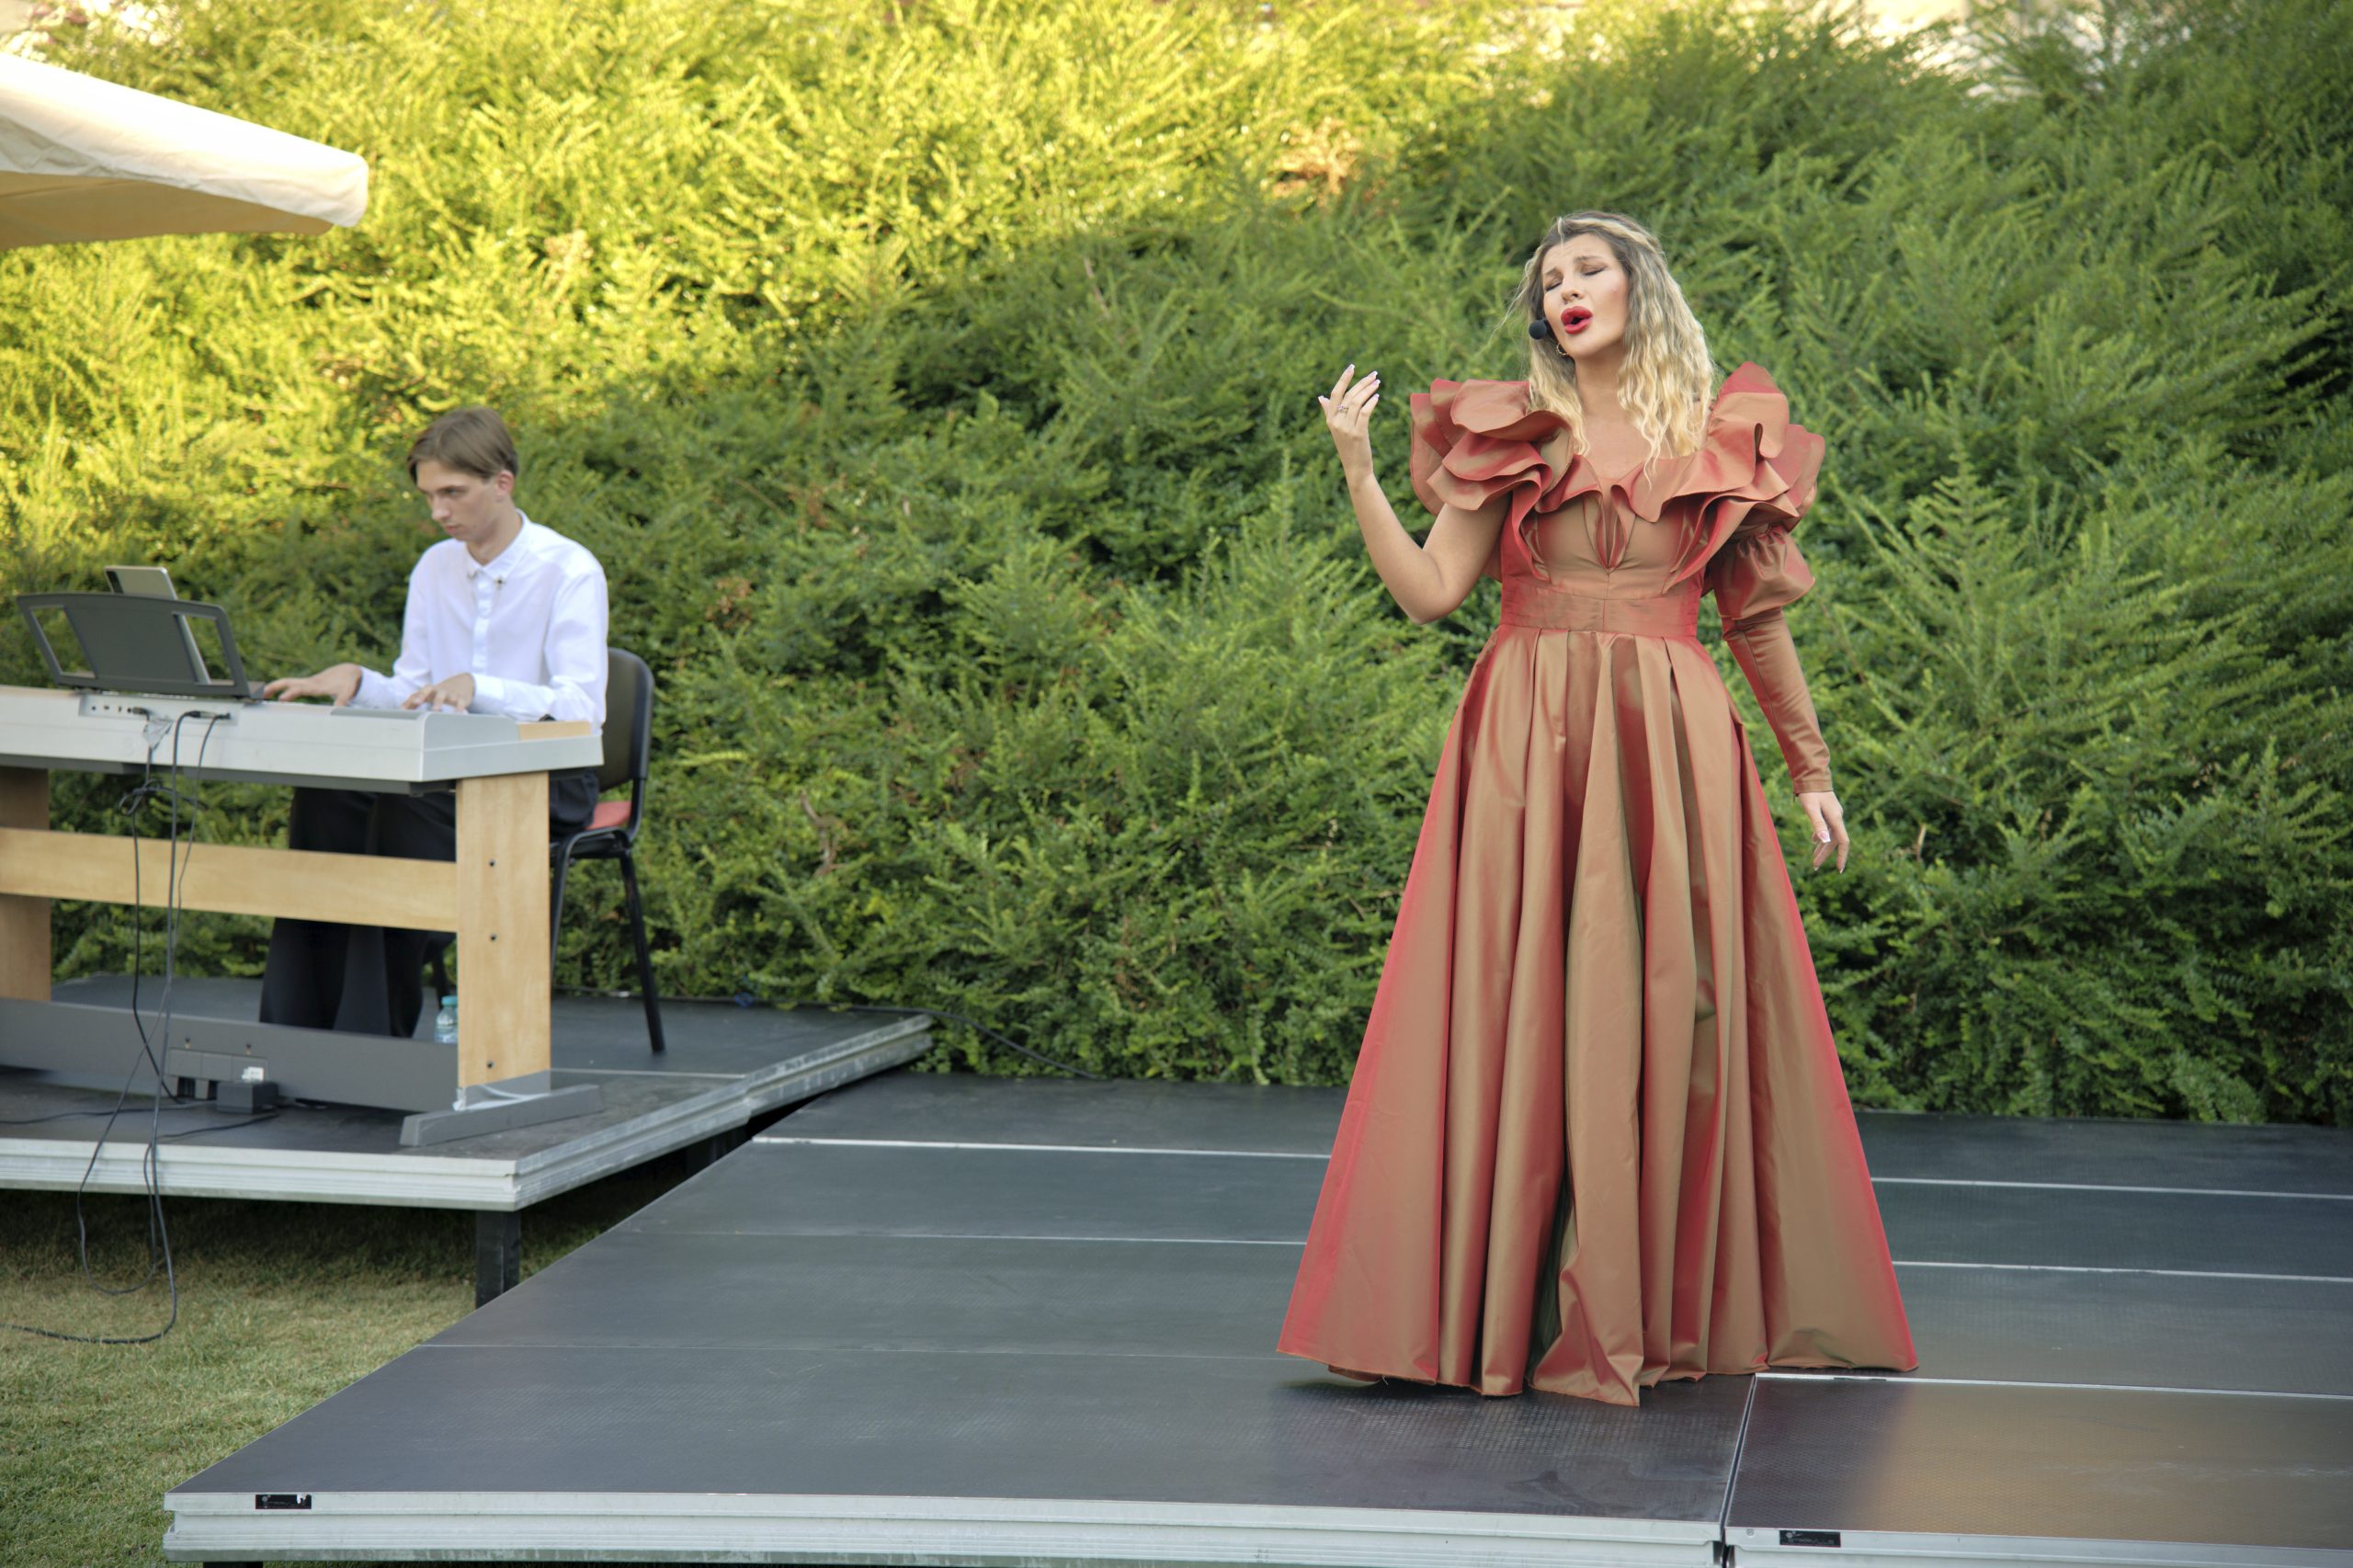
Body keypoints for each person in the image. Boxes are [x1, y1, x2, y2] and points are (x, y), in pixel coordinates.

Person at [1276, 211, 1916, 1406]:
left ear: (1640, 289)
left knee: (1668, 1012)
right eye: (1549, 280)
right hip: (1526, 743)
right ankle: (1497, 1311)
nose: (1564, 290)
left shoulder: (1720, 438)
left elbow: (1755, 621)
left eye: (1588, 270)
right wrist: (1358, 470)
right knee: (1516, 1007)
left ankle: (1647, 1303)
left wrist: (1811, 766)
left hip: (1670, 745)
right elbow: (1429, 592)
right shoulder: (1511, 433)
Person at [256, 406, 608, 1039]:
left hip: (543, 778)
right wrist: (360, 682)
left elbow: (583, 710)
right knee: (327, 797)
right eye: (428, 496)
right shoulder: (433, 567)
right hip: (443, 769)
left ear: (502, 483)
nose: (439, 512)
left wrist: (482, 689)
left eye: (453, 493)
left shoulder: (569, 570)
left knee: (401, 815)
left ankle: (368, 1042)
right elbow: (415, 692)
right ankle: (294, 1035)